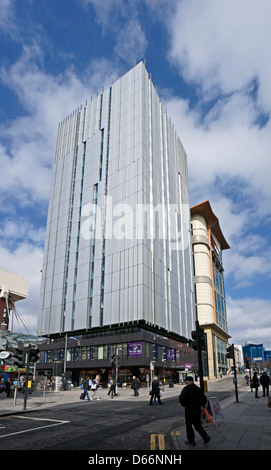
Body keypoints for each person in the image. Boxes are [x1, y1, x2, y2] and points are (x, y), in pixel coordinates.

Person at [179, 376, 211, 446]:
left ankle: (191, 440)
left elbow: (182, 398)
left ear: (188, 381)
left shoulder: (186, 389)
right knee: (197, 425)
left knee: (189, 425)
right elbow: (204, 399)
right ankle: (205, 437)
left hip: (189, 410)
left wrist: (185, 404)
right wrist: (201, 405)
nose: (185, 382)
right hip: (197, 410)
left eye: (186, 381)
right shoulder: (197, 389)